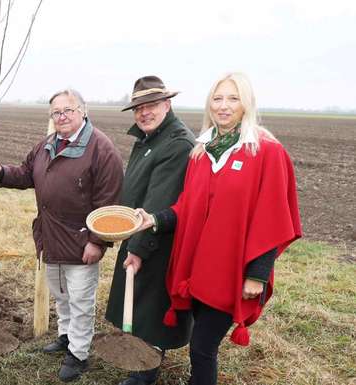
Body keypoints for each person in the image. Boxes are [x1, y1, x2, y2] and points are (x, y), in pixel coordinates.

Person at [135, 72, 302, 385]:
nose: (223, 106)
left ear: (246, 103)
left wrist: (257, 274)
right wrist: (155, 219)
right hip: (199, 270)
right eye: (217, 98)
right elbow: (187, 206)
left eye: (233, 98)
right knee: (201, 344)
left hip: (232, 271)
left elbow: (273, 217)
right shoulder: (201, 152)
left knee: (201, 347)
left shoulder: (265, 151)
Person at [0, 88, 124, 382]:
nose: (61, 117)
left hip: (82, 241)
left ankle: (79, 353)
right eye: (56, 112)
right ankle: (65, 336)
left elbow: (108, 201)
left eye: (68, 110)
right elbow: (26, 173)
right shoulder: (48, 144)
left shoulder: (101, 149)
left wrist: (97, 242)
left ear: (83, 111)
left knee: (81, 299)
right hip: (50, 236)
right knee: (61, 295)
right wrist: (1, 172)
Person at [104, 76, 195, 385]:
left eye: (152, 105)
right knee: (142, 305)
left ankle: (144, 373)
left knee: (150, 309)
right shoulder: (150, 138)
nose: (144, 113)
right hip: (139, 234)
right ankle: (141, 365)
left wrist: (138, 250)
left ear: (167, 105)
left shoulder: (176, 144)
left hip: (157, 241)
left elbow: (160, 200)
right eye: (138, 107)